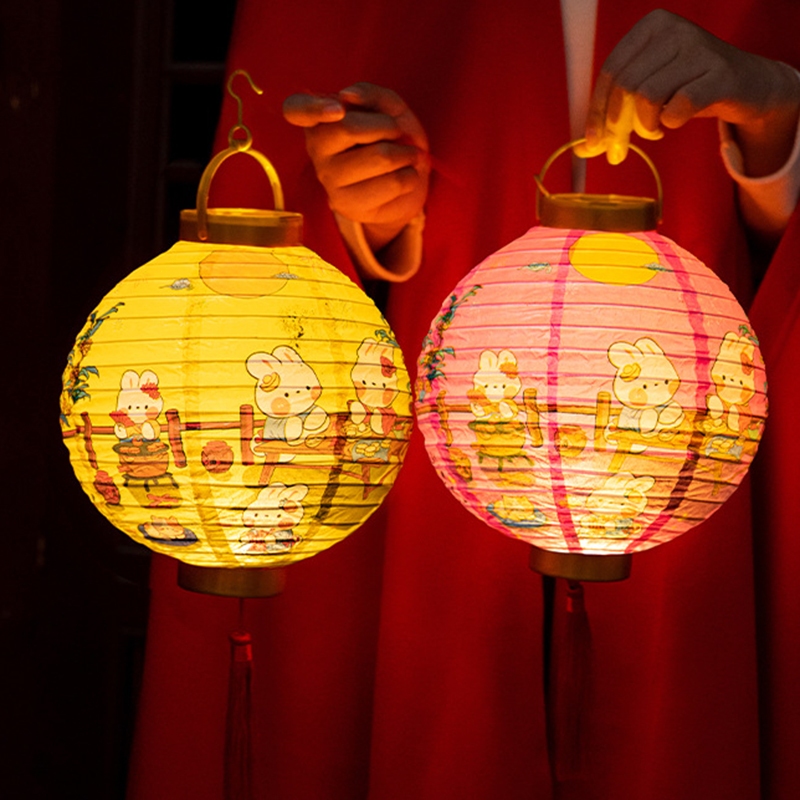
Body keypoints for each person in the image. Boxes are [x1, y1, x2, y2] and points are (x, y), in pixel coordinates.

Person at [127, 3, 800, 799]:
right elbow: (261, 220)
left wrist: (775, 121)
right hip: (434, 449)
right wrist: (367, 212)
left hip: (696, 439)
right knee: (447, 713)